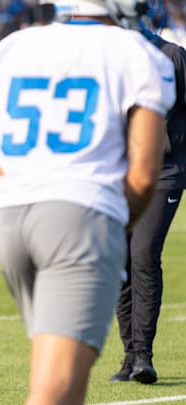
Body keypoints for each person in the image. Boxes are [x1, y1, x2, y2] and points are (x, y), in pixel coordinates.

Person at [0, 0, 175, 403]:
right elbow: (142, 175)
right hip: (80, 214)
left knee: (57, 372)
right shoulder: (139, 53)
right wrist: (110, 225)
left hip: (11, 217)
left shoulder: (13, 46)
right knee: (56, 392)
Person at [110, 28, 186, 384]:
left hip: (163, 174)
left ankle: (144, 356)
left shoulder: (173, 56)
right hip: (119, 177)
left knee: (142, 256)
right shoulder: (114, 59)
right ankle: (129, 357)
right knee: (120, 263)